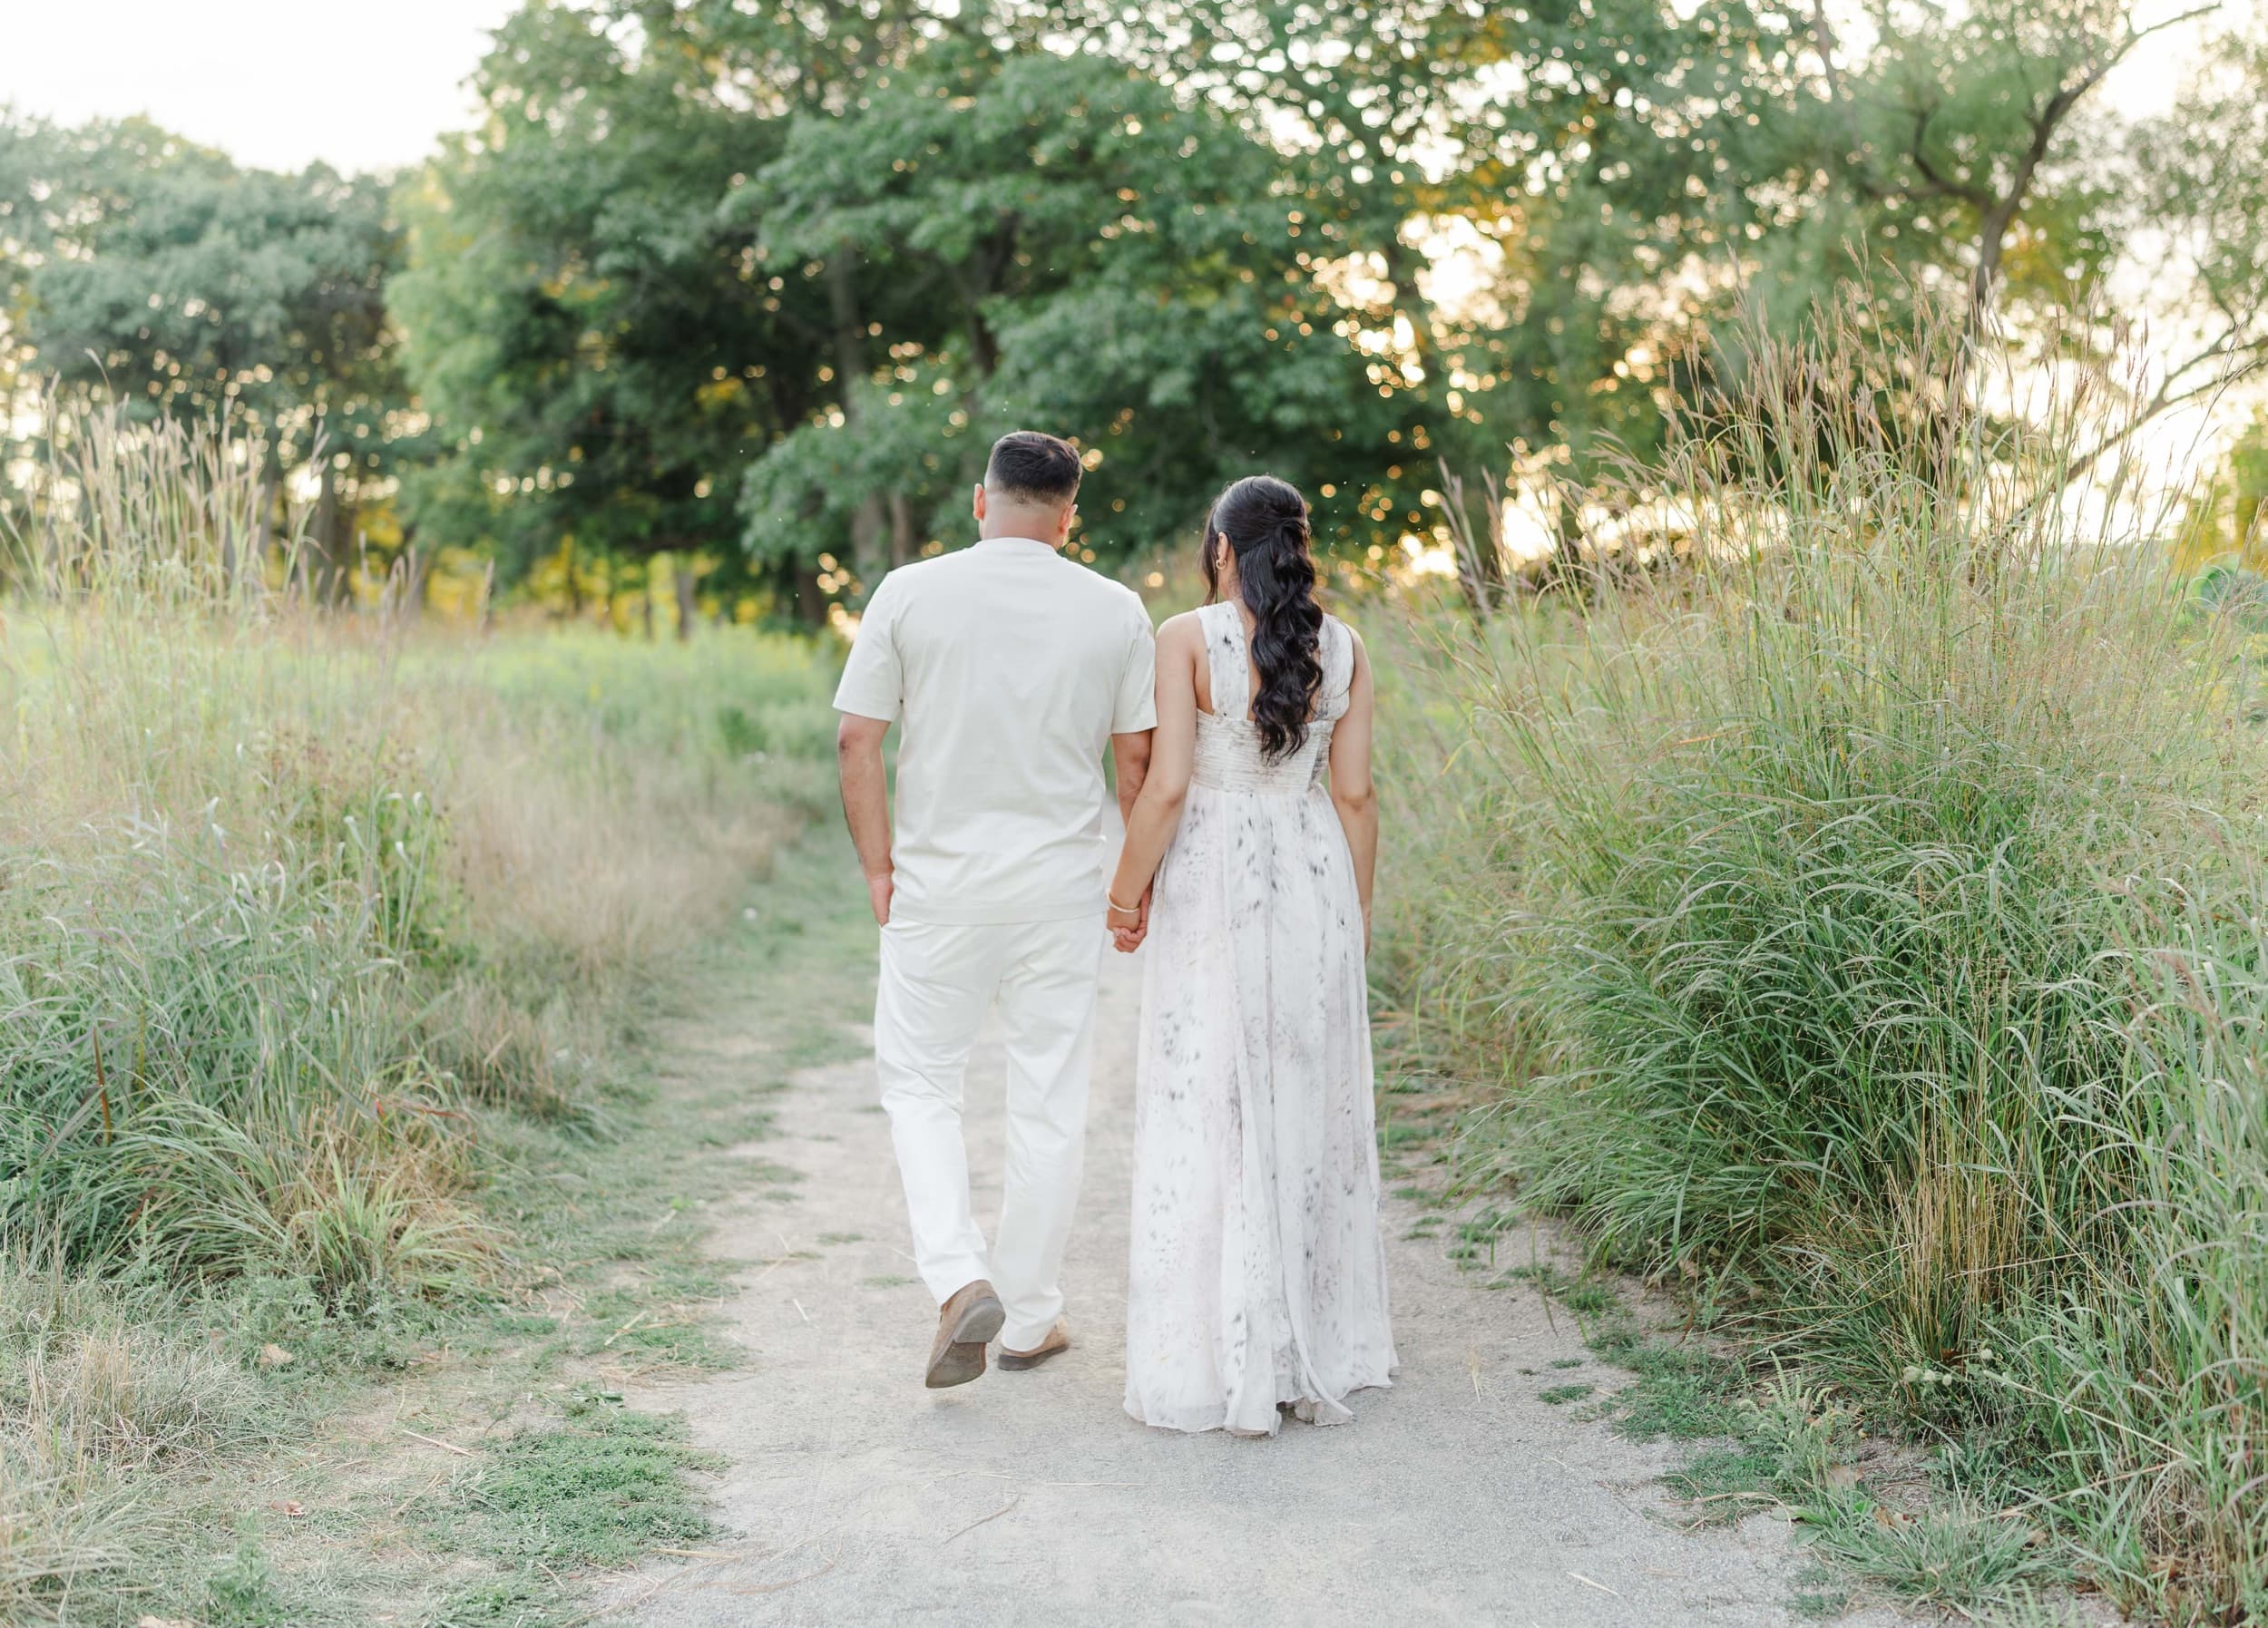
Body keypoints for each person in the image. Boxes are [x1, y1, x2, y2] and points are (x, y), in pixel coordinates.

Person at [834, 430, 1158, 1389]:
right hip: (1060, 889)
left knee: (921, 1080)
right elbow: (1134, 764)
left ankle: (956, 1274)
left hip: (940, 885)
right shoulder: (1115, 608)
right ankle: (1028, 1319)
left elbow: (857, 741)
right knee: (1048, 1095)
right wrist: (1130, 886)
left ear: (982, 502)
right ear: (1068, 518)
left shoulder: (909, 591)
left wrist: (877, 867)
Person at [1106, 473, 1397, 1436]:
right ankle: (1299, 1346)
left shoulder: (1185, 638)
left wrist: (1124, 891)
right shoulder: (1345, 646)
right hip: (1310, 873)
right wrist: (1351, 914)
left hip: (1216, 880)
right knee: (1299, 1099)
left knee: (1211, 1096)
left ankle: (1222, 1351)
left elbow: (1167, 787)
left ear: (1222, 547)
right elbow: (1353, 797)